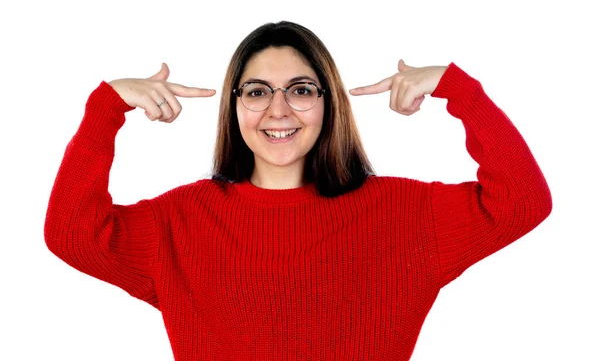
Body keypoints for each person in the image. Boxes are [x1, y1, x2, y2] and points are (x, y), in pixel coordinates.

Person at [45, 21, 552, 360]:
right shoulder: (180, 221)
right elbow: (71, 235)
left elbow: (523, 201)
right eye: (258, 91)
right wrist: (105, 108)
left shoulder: (407, 214)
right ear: (235, 106)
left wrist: (459, 89)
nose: (279, 110)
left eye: (302, 90)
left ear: (328, 103)